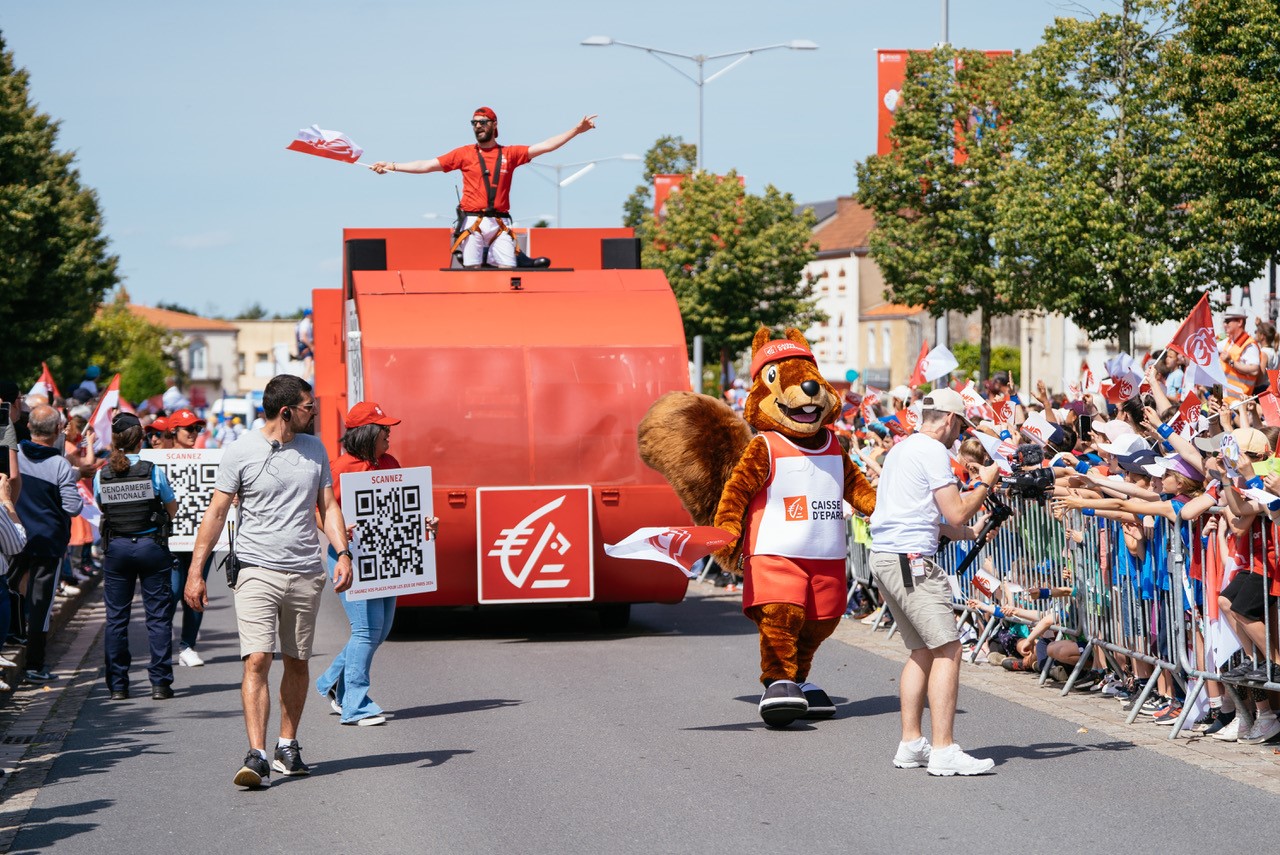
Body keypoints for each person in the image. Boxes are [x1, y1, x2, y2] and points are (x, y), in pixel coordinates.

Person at [185, 374, 353, 790]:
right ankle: (256, 754)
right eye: (309, 406)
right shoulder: (241, 450)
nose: (315, 411)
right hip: (256, 569)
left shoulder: (315, 449)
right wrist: (195, 571)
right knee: (257, 658)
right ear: (287, 411)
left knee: (297, 660)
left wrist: (343, 551)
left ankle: (287, 746)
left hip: (305, 571)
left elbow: (327, 505)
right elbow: (216, 512)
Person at [868, 388, 1002, 776]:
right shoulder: (931, 452)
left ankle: (912, 744)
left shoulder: (902, 449)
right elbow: (956, 512)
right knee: (948, 649)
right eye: (961, 426)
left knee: (922, 651)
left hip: (888, 556)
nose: (960, 435)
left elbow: (922, 515)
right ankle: (943, 749)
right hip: (910, 560)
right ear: (949, 419)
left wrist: (967, 534)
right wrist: (985, 484)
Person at [317, 401, 438, 726]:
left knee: (379, 631)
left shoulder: (390, 462)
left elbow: (401, 508)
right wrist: (339, 531)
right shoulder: (340, 467)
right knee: (365, 632)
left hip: (386, 558)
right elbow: (317, 510)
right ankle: (355, 705)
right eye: (384, 429)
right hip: (351, 559)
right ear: (367, 433)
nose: (389, 435)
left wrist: (424, 523)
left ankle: (331, 682)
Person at [371, 107, 597, 268]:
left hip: (500, 222)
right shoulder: (464, 154)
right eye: (474, 123)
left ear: (494, 125)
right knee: (472, 272)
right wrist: (392, 166)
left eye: (483, 122)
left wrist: (576, 130)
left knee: (509, 270)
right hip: (473, 222)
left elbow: (545, 146)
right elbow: (426, 165)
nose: (478, 126)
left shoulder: (510, 153)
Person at [95, 413, 178, 700]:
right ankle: (160, 684)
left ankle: (118, 686)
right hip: (150, 546)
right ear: (140, 440)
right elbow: (171, 507)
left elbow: (102, 506)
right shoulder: (152, 471)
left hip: (117, 548)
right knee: (158, 618)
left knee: (116, 619)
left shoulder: (102, 473)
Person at [11, 404, 82, 682]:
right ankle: (34, 665)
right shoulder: (60, 465)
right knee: (41, 604)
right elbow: (73, 507)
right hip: (49, 544)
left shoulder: (14, 455)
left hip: (14, 537)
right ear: (57, 430)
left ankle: (13, 635)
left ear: (29, 426)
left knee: (10, 588)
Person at [168, 409, 213, 667]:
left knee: (197, 590)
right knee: (173, 590)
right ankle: (162, 640)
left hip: (200, 538)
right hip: (172, 539)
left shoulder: (207, 459)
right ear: (174, 431)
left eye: (197, 429)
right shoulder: (159, 461)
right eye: (189, 429)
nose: (194, 433)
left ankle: (187, 646)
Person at [1220, 305, 1260, 405]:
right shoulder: (1229, 342)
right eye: (1225, 321)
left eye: (1228, 321)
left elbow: (1255, 370)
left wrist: (1231, 362)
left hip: (1238, 404)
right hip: (1225, 400)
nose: (1225, 324)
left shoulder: (1249, 345)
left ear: (1240, 322)